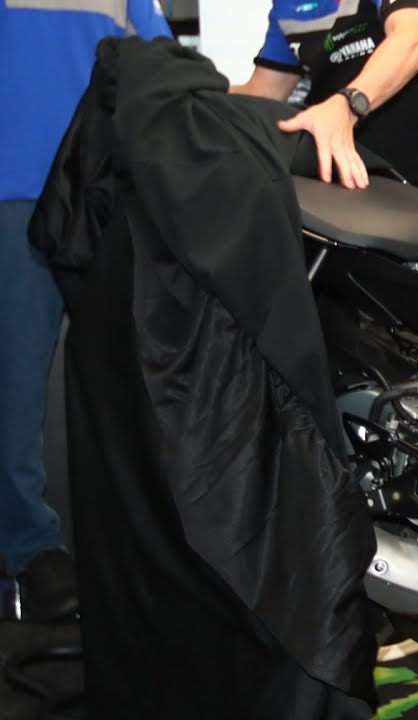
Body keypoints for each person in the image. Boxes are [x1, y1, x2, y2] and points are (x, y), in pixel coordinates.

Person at [0, 0, 170, 621]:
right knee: (16, 385)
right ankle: (31, 552)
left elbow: (160, 68)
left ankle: (134, 545)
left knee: (131, 377)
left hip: (101, 192)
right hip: (12, 189)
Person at [232, 0, 418, 208]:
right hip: (335, 196)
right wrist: (211, 86)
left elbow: (410, 43)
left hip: (417, 194)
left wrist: (347, 105)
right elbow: (263, 91)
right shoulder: (286, 5)